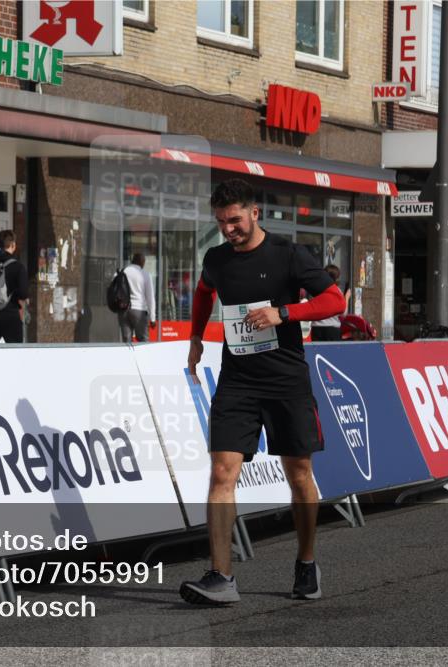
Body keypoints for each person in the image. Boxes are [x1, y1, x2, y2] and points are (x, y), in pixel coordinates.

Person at [180, 179, 346, 604]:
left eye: (234, 220)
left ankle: (306, 562)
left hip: (286, 379)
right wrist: (197, 337)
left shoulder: (288, 254)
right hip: (237, 380)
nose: (228, 230)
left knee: (300, 475)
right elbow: (203, 292)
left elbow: (334, 301)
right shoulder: (216, 259)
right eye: (220, 222)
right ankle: (221, 576)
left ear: (254, 213)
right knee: (221, 473)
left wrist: (283, 313)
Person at [119, 252, 155, 343]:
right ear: (142, 262)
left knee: (127, 342)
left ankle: (128, 357)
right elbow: (150, 298)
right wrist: (153, 318)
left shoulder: (123, 271)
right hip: (139, 311)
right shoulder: (145, 274)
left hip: (123, 310)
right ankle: (143, 357)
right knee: (143, 340)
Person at [310, 265, 343, 341]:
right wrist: (347, 297)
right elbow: (343, 312)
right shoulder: (337, 291)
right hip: (332, 328)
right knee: (333, 352)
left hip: (317, 327)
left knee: (318, 352)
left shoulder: (315, 289)